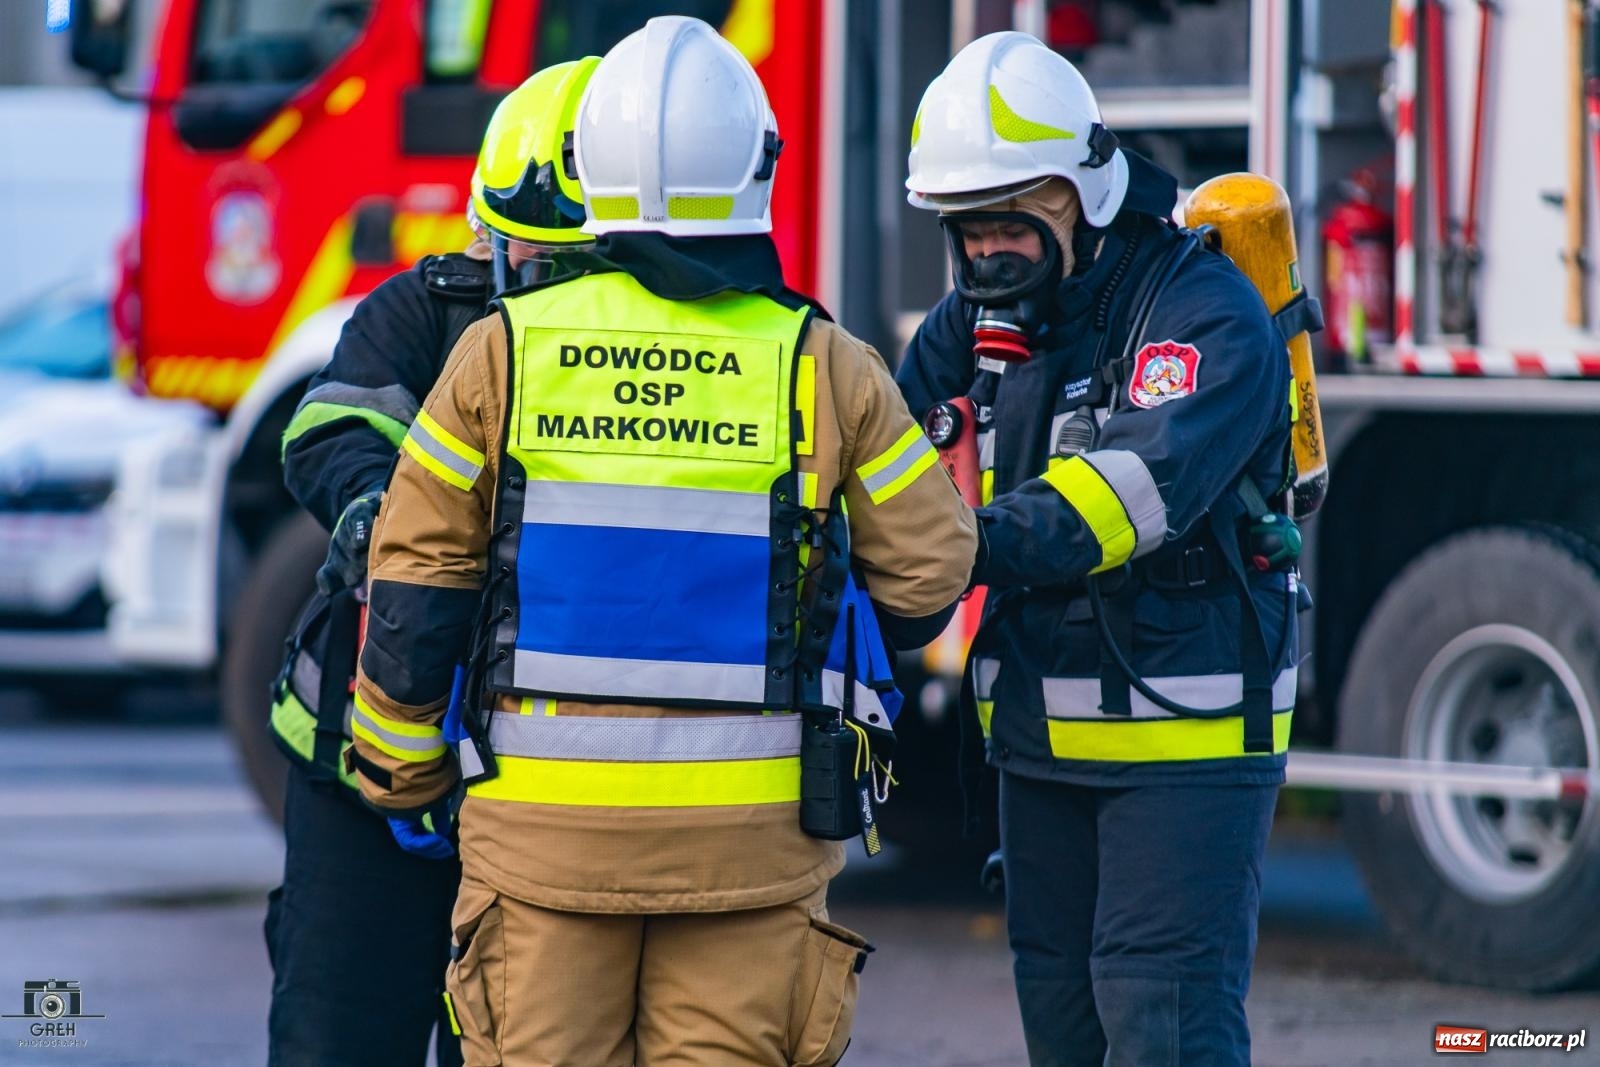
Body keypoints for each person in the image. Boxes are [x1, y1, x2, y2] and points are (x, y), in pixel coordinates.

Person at [348, 15, 978, 1066]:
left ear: (589, 172)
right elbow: (928, 579)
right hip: (752, 852)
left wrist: (400, 771)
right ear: (756, 169)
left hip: (539, 849)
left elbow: (417, 581)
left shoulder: (500, 352)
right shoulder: (821, 359)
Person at [898, 32, 1300, 1067]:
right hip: (1038, 737)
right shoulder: (972, 319)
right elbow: (886, 450)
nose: (987, 254)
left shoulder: (1202, 313)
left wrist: (958, 542)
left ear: (1077, 197)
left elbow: (1125, 495)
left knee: (1159, 1018)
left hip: (1186, 736)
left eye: (1009, 224)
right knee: (1062, 1024)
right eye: (967, 229)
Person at [265, 57, 600, 1067]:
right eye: (517, 252)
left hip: (543, 786)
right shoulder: (428, 307)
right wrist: (382, 513)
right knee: (335, 1034)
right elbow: (329, 424)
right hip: (360, 762)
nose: (532, 278)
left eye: (567, 263)